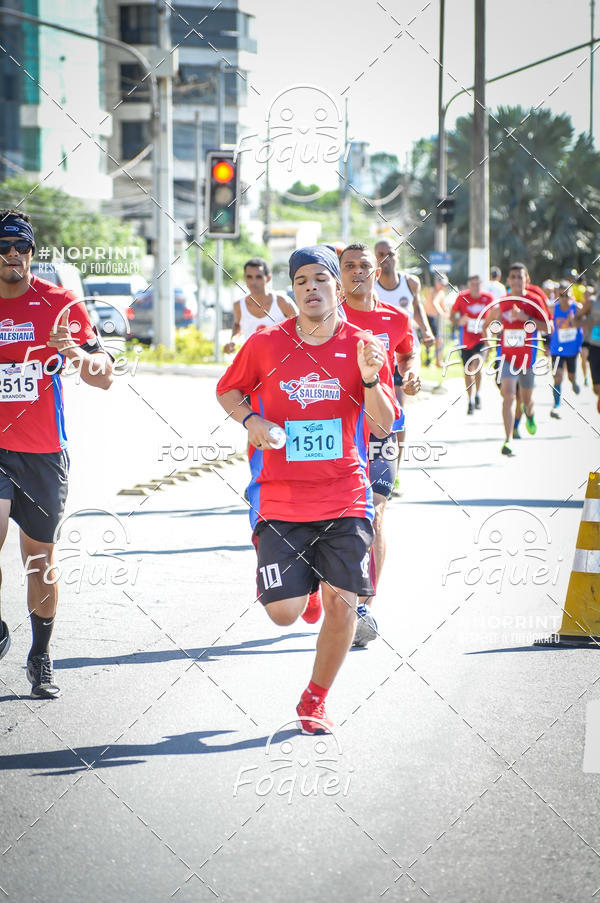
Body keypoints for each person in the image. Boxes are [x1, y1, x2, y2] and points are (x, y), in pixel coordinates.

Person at [216, 245, 397, 734]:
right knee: (283, 614)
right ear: (291, 291)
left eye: (321, 279)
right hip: (281, 498)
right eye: (301, 281)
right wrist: (251, 418)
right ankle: (307, 589)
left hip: (345, 496)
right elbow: (227, 391)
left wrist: (370, 378)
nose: (311, 288)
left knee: (344, 602)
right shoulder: (266, 345)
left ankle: (314, 700)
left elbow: (383, 423)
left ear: (339, 287)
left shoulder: (363, 343)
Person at [0, 210, 113, 697]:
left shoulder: (60, 304)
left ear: (32, 252)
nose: (13, 256)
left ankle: (40, 655)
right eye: (4, 247)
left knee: (38, 559)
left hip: (43, 451)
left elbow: (104, 373)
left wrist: (77, 355)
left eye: (21, 247)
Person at [339, 243, 420, 646]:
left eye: (363, 265)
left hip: (380, 429)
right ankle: (331, 594)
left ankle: (364, 603)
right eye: (348, 266)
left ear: (377, 270)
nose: (357, 271)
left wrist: (411, 373)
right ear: (338, 273)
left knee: (375, 512)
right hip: (336, 429)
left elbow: (408, 353)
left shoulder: (396, 318)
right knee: (333, 518)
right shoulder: (327, 317)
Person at [482, 262, 550, 457]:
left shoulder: (534, 300)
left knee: (527, 400)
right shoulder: (502, 302)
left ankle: (529, 414)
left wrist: (524, 317)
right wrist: (490, 340)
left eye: (520, 277)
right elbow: (488, 324)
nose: (517, 280)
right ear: (508, 280)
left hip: (527, 359)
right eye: (513, 277)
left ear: (526, 279)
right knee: (508, 396)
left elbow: (547, 326)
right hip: (507, 357)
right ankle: (508, 439)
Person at [224, 257, 297, 353]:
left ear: (268, 278)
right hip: (253, 360)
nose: (253, 282)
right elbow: (238, 327)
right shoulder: (238, 305)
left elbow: (301, 326)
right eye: (249, 277)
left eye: (258, 277)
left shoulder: (281, 301)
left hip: (280, 360)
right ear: (245, 278)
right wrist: (232, 342)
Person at [373, 239, 435, 350]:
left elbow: (416, 308)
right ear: (375, 258)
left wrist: (426, 331)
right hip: (381, 351)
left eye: (390, 254)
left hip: (408, 350)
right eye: (381, 254)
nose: (386, 258)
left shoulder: (411, 282)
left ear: (398, 257)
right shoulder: (369, 285)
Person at [450, 275, 493, 414]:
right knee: (468, 370)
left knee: (477, 365)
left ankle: (478, 393)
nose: (475, 287)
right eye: (472, 284)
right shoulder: (462, 297)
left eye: (477, 284)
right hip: (466, 341)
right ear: (469, 285)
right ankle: (470, 400)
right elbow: (452, 316)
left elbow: (496, 316)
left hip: (481, 339)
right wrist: (459, 321)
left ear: (481, 285)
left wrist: (491, 328)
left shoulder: (488, 298)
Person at [549, 282, 583, 418]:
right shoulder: (553, 309)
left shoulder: (577, 308)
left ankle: (574, 381)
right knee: (557, 377)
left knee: (570, 376)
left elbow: (586, 323)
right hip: (557, 349)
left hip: (572, 349)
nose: (564, 298)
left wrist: (575, 321)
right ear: (558, 295)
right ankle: (556, 404)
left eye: (566, 295)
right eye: (561, 295)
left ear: (571, 296)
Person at [576, 281, 600, 413]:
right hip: (594, 346)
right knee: (597, 388)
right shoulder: (592, 302)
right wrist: (587, 323)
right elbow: (576, 320)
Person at [424, 276, 448, 368]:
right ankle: (433, 361)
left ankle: (437, 361)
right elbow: (435, 303)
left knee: (438, 340)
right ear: (437, 283)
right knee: (433, 340)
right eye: (441, 284)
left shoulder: (440, 293)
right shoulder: (433, 291)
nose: (443, 286)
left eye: (444, 285)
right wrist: (442, 313)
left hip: (433, 318)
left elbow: (442, 305)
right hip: (429, 318)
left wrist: (447, 312)